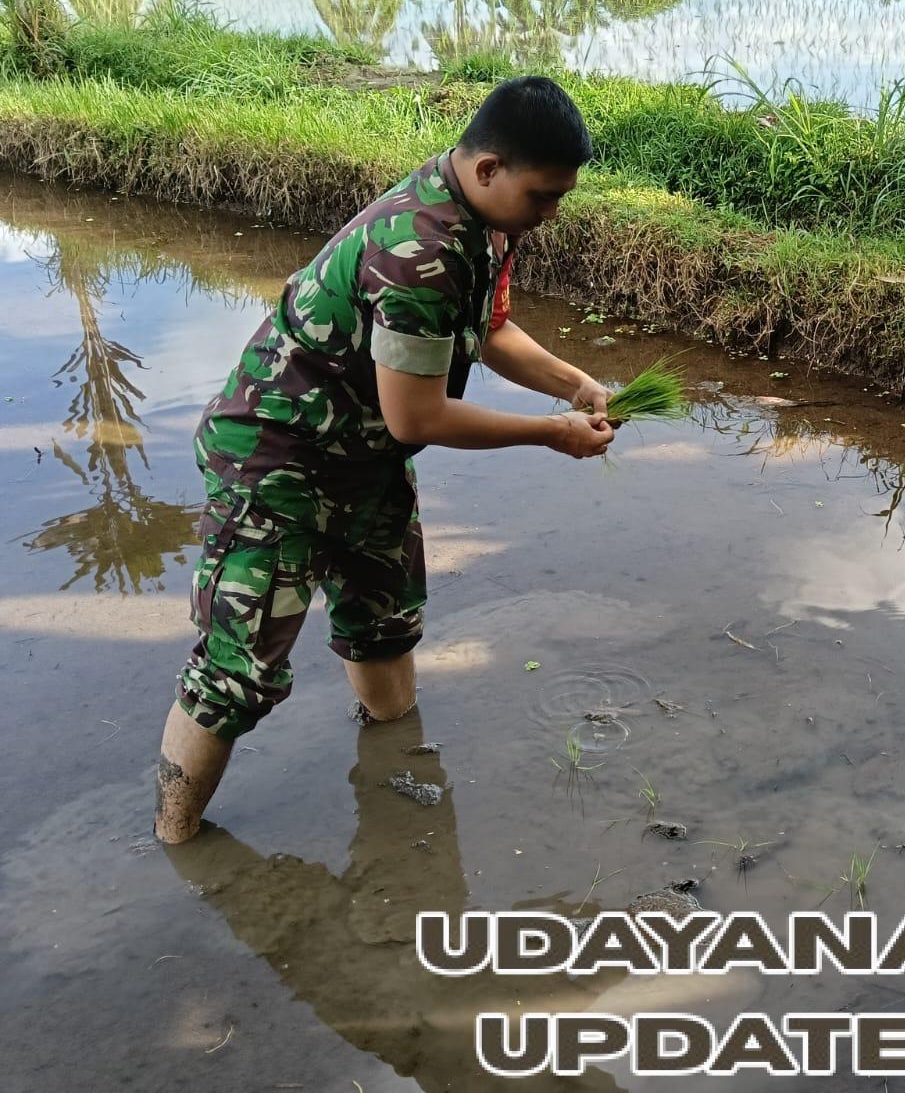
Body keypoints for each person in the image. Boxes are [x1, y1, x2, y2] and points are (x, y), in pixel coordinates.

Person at [154, 76, 616, 844]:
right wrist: (551, 432)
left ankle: (399, 784)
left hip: (363, 457)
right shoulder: (421, 251)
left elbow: (491, 329)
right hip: (277, 465)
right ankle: (175, 844)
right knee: (237, 674)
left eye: (561, 196)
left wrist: (573, 383)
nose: (552, 213)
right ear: (490, 169)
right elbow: (421, 414)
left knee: (385, 623)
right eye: (544, 195)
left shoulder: (486, 224)